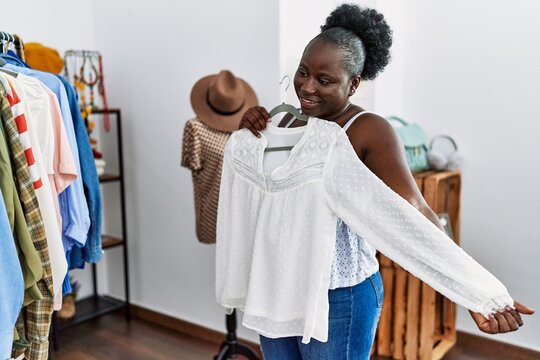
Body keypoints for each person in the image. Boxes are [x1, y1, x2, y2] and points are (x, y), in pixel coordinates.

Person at [238, 4, 534, 359]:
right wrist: (254, 129)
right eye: (303, 72)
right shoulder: (286, 122)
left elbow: (415, 209)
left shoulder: (368, 130)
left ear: (354, 84)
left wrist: (471, 289)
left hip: (339, 295)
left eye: (324, 80)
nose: (307, 87)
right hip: (279, 287)